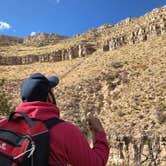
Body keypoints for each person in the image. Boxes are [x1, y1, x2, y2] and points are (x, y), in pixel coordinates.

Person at [1, 73, 110, 166]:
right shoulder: (65, 131)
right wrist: (99, 133)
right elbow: (95, 163)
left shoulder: (3, 124)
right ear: (49, 96)